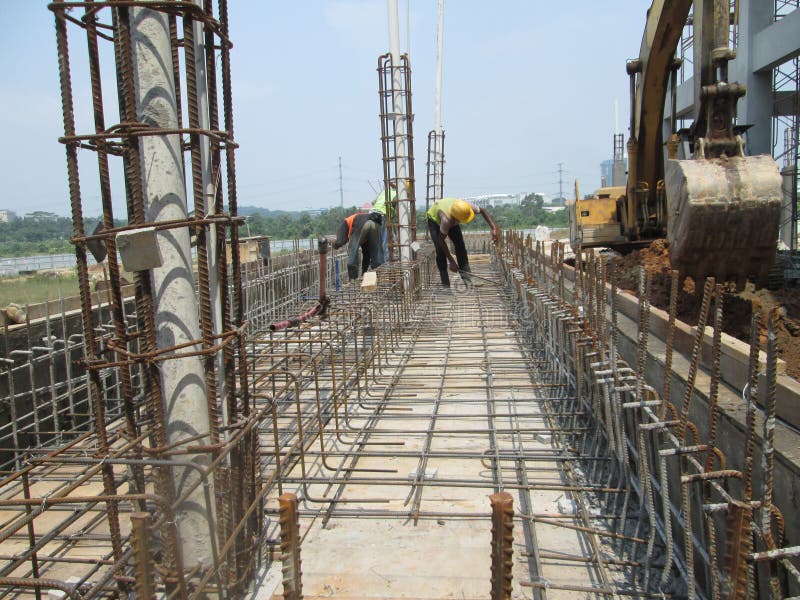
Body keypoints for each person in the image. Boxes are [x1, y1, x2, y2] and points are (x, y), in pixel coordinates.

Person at [426, 198, 499, 288]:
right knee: (440, 250)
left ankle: (468, 280)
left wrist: (494, 228)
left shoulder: (465, 207)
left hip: (451, 215)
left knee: (460, 246)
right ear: (456, 218)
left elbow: (483, 211)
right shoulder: (446, 221)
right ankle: (445, 284)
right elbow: (441, 241)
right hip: (434, 221)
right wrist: (451, 261)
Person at [333, 212, 384, 280]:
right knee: (376, 255)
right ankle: (378, 277)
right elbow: (366, 255)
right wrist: (364, 272)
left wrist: (335, 245)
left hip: (361, 224)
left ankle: (353, 280)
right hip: (376, 225)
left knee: (352, 254)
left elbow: (340, 241)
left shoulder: (344, 224)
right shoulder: (364, 237)